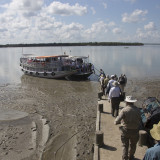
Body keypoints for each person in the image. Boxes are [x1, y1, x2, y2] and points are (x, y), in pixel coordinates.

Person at [114, 96, 141, 160]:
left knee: (125, 145)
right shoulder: (138, 110)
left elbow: (116, 121)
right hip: (135, 131)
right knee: (133, 145)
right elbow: (140, 119)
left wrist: (120, 122)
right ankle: (131, 157)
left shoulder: (124, 110)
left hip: (125, 131)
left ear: (126, 102)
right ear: (133, 102)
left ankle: (124, 158)